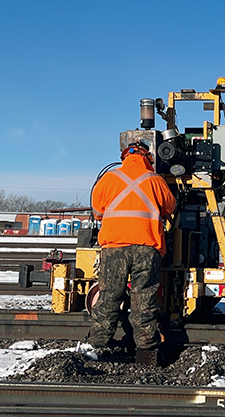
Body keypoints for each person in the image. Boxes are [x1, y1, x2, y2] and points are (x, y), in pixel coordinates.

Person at [88, 140, 176, 365]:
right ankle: (147, 352)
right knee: (144, 299)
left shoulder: (109, 179)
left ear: (124, 157)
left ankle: (97, 348)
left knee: (109, 297)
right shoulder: (155, 180)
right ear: (148, 159)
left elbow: (98, 211)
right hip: (147, 247)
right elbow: (170, 208)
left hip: (115, 247)